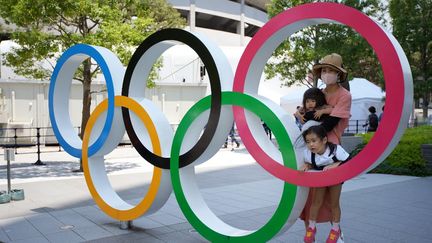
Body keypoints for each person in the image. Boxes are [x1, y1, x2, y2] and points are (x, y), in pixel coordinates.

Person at [299, 53, 352, 243]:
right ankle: (310, 235)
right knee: (311, 200)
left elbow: (328, 125)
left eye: (331, 70)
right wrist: (302, 113)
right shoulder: (319, 93)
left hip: (332, 153)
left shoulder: (344, 95)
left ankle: (337, 234)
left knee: (331, 198)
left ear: (339, 74)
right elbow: (306, 111)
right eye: (324, 70)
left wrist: (313, 116)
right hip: (313, 152)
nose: (326, 74)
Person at [299, 126, 350, 243]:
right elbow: (311, 163)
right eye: (308, 142)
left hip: (336, 178)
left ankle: (335, 229)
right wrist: (307, 166)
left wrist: (336, 164)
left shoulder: (335, 150)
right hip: (321, 178)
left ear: (324, 140)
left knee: (334, 204)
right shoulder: (308, 153)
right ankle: (311, 227)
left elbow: (349, 160)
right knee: (316, 202)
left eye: (314, 141)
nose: (311, 144)